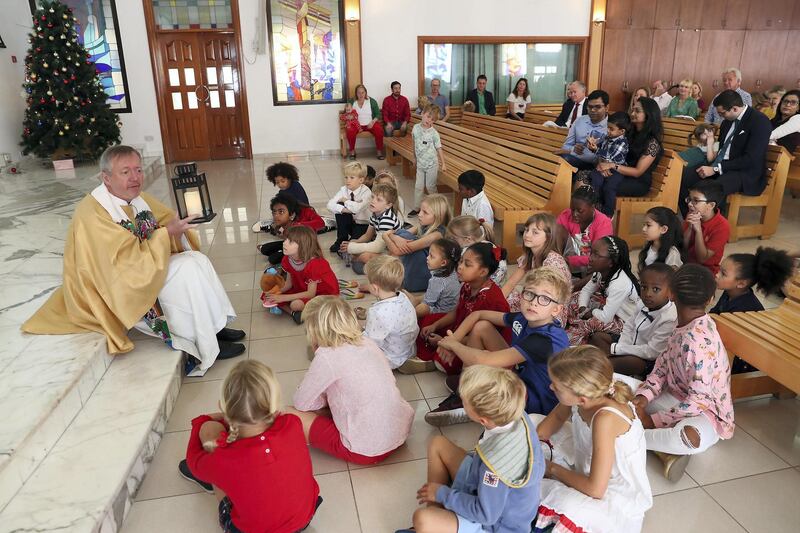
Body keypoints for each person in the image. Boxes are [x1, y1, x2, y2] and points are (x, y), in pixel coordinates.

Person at [22, 145, 244, 376]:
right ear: (106, 178)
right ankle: (208, 345)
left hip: (143, 266)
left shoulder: (137, 199)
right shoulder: (93, 213)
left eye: (138, 170)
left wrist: (177, 230)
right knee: (187, 268)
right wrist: (165, 234)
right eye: (125, 172)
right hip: (111, 284)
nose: (135, 177)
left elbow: (165, 221)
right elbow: (117, 263)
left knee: (198, 260)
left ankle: (214, 328)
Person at [395, 366, 543, 533]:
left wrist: (443, 493)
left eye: (464, 402)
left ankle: (437, 517)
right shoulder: (514, 411)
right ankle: (438, 511)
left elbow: (486, 515)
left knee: (422, 519)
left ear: (483, 420)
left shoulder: (494, 468)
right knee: (438, 443)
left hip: (495, 525)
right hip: (483, 489)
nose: (461, 401)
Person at [180, 360, 321, 533]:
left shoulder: (223, 460)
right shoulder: (293, 423)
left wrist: (202, 421)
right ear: (275, 406)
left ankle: (214, 481)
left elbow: (193, 460)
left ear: (223, 407)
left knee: (209, 431)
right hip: (304, 518)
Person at [624, 264, 734, 481]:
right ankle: (657, 446)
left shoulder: (699, 341)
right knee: (614, 384)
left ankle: (628, 435)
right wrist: (643, 398)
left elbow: (698, 402)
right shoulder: (681, 325)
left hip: (704, 413)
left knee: (689, 438)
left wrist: (652, 420)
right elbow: (662, 368)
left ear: (671, 294)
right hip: (674, 397)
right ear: (711, 298)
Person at [532, 346, 652, 533]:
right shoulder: (588, 394)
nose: (550, 387)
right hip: (589, 463)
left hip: (611, 495)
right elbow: (554, 420)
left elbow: (596, 490)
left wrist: (551, 468)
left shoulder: (605, 419)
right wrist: (528, 448)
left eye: (556, 386)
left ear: (581, 399)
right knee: (533, 422)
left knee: (556, 499)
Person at [430, 267, 571, 425]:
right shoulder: (524, 318)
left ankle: (473, 399)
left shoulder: (545, 340)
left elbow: (485, 360)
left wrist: (453, 345)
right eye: (530, 293)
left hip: (535, 403)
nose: (533, 302)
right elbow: (479, 314)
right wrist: (454, 339)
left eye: (545, 298)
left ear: (556, 309)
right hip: (522, 377)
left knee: (483, 363)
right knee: (482, 327)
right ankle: (465, 393)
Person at [289, 297, 414, 464]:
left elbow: (301, 403)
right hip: (400, 432)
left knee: (289, 414)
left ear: (313, 330)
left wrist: (322, 401)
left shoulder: (326, 356)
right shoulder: (367, 342)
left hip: (366, 450)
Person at [416, 243, 510, 375]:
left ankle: (432, 360)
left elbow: (478, 339)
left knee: (445, 360)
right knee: (426, 321)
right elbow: (456, 312)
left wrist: (444, 341)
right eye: (460, 262)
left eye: (467, 264)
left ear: (483, 272)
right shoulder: (466, 286)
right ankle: (436, 349)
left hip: (477, 344)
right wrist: (435, 326)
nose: (459, 267)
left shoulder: (490, 299)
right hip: (459, 331)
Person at [711, 247, 794, 374]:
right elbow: (714, 315)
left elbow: (727, 338)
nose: (717, 274)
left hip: (743, 359)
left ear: (741, 284)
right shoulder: (729, 293)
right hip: (730, 347)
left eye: (723, 273)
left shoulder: (744, 308)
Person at [589, 263, 678, 377]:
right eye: (644, 287)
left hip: (648, 358)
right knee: (597, 337)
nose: (648, 294)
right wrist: (622, 347)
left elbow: (651, 352)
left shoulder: (669, 318)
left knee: (632, 363)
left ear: (670, 292)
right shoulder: (642, 303)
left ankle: (600, 367)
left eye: (656, 289)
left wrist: (620, 350)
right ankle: (607, 363)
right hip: (630, 344)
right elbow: (629, 326)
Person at [590, 97, 664, 215]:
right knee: (587, 176)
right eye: (633, 110)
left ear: (649, 115)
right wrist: (603, 165)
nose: (633, 113)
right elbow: (607, 150)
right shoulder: (628, 133)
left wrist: (611, 165)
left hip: (637, 181)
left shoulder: (652, 142)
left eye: (637, 111)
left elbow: (638, 172)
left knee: (605, 186)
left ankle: (604, 218)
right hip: (619, 173)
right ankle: (591, 217)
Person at [564, 236, 641, 346]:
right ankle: (575, 322)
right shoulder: (600, 272)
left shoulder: (620, 284)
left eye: (597, 255)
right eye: (591, 253)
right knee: (574, 297)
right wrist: (583, 308)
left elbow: (605, 317)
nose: (590, 258)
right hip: (609, 310)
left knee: (592, 323)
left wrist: (589, 313)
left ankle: (571, 341)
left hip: (624, 321)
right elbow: (586, 290)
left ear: (611, 262)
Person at [400, 238, 462, 374]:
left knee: (421, 322)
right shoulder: (451, 272)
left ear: (443, 262)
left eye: (431, 256)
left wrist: (407, 314)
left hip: (442, 316)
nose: (427, 258)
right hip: (451, 313)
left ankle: (424, 358)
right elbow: (433, 297)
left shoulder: (438, 281)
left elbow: (427, 307)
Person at [265, 226, 339, 324]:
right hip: (301, 287)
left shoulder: (314, 263)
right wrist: (276, 292)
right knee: (268, 292)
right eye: (286, 239)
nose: (284, 243)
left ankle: (292, 310)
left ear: (303, 245)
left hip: (321, 294)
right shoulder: (287, 259)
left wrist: (282, 298)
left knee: (296, 305)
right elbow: (289, 284)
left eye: (290, 241)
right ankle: (294, 314)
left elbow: (310, 294)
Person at [503, 213, 571, 312]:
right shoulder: (529, 256)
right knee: (505, 293)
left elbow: (550, 297)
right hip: (536, 299)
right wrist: (494, 303)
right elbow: (511, 282)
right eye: (526, 230)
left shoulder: (553, 261)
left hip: (552, 310)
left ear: (548, 237)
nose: (527, 235)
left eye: (535, 232)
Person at [384, 193, 452, 292]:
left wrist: (386, 236)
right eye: (420, 210)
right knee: (402, 233)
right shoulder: (422, 225)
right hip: (415, 269)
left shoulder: (437, 234)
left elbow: (398, 250)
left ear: (438, 216)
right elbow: (397, 233)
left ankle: (396, 276)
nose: (419, 214)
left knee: (405, 237)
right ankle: (393, 273)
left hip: (424, 277)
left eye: (425, 212)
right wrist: (393, 236)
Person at [362, 255, 420, 369]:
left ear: (374, 288)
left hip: (391, 357)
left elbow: (372, 342)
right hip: (408, 348)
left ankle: (396, 365)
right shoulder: (403, 296)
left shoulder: (377, 313)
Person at [340, 182, 401, 273]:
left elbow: (378, 247)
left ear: (388, 205)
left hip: (393, 252)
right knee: (355, 247)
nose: (373, 201)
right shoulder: (375, 214)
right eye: (372, 197)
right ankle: (365, 263)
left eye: (378, 199)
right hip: (384, 248)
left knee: (363, 257)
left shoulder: (386, 220)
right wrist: (353, 242)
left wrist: (352, 248)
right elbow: (367, 236)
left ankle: (386, 268)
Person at [555, 185, 613, 276]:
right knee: (556, 230)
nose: (574, 214)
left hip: (592, 263)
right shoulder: (566, 215)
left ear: (593, 207)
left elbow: (599, 257)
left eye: (580, 211)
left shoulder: (603, 222)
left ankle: (574, 286)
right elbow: (553, 237)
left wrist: (569, 260)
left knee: (599, 270)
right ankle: (557, 268)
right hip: (568, 259)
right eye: (572, 209)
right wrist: (557, 259)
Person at [257, 192, 325, 265]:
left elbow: (321, 223)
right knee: (265, 249)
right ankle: (276, 251)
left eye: (281, 212)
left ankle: (283, 254)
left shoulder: (305, 211)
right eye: (274, 212)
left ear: (291, 214)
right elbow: (285, 237)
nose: (276, 215)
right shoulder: (280, 221)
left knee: (273, 259)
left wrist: (297, 225)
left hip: (305, 247)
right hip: (291, 244)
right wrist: (280, 230)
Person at [586, 111, 632, 213]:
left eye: (611, 129)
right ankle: (595, 205)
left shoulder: (622, 143)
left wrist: (596, 149)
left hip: (617, 170)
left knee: (609, 187)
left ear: (622, 131)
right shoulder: (607, 137)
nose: (607, 130)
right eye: (607, 127)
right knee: (595, 178)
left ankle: (608, 213)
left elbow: (609, 156)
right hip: (603, 165)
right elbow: (599, 150)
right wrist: (592, 144)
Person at [683, 180, 729, 276]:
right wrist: (690, 227)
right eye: (689, 199)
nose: (690, 204)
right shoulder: (692, 214)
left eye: (695, 201)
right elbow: (682, 248)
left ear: (711, 205)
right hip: (686, 263)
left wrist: (698, 230)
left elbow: (702, 258)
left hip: (706, 271)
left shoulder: (722, 226)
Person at [555, 90, 609, 171]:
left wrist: (572, 152)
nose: (593, 110)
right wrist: (574, 149)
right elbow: (566, 145)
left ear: (607, 108)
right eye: (590, 107)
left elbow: (608, 155)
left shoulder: (611, 128)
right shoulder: (580, 121)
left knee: (564, 160)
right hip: (574, 160)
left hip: (596, 166)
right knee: (555, 160)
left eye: (597, 107)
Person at [447, 215, 507, 285]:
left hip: (483, 288)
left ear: (468, 239)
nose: (451, 241)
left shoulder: (468, 252)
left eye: (453, 238)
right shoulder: (486, 242)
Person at [327, 160, 372, 253]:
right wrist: (344, 209)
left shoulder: (366, 192)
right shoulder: (344, 190)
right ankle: (341, 239)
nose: (348, 180)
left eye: (352, 177)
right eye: (346, 177)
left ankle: (350, 241)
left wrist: (346, 200)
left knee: (352, 246)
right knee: (339, 206)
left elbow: (358, 208)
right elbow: (330, 205)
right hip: (350, 222)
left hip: (363, 225)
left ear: (361, 180)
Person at [251, 161, 310, 233]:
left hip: (301, 214)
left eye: (283, 181)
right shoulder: (281, 192)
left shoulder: (296, 186)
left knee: (286, 224)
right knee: (280, 221)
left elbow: (302, 204)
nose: (280, 185)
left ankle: (275, 227)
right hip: (291, 215)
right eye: (277, 182)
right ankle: (275, 227)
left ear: (289, 178)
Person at [410, 104, 446, 216]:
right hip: (420, 164)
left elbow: (439, 148)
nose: (429, 121)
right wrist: (414, 158)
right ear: (422, 113)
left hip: (431, 164)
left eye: (433, 120)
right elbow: (414, 144)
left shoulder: (434, 134)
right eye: (428, 116)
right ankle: (417, 208)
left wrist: (443, 163)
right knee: (418, 186)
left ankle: (437, 208)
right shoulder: (415, 128)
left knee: (431, 187)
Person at [638, 206, 684, 272]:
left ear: (663, 229)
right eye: (643, 225)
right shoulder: (648, 245)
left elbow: (671, 280)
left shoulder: (672, 254)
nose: (643, 229)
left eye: (648, 225)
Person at [345, 84, 384, 160]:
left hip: (370, 123)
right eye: (359, 93)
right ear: (356, 93)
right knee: (350, 130)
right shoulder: (352, 101)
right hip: (356, 124)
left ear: (366, 93)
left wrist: (373, 122)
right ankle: (352, 151)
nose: (361, 95)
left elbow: (378, 114)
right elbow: (346, 112)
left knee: (379, 130)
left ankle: (379, 151)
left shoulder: (371, 101)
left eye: (363, 92)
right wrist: (348, 118)